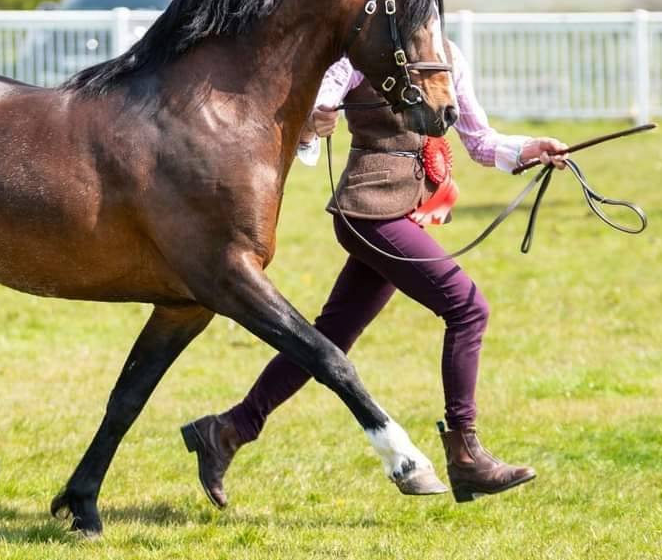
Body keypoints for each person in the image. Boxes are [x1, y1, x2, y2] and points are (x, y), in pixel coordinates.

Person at [182, 40, 568, 505]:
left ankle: (228, 430)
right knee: (467, 307)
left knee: (330, 338)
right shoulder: (357, 57)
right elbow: (314, 110)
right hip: (368, 213)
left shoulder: (449, 55)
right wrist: (315, 120)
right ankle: (466, 455)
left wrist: (531, 148)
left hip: (402, 211)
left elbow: (479, 141)